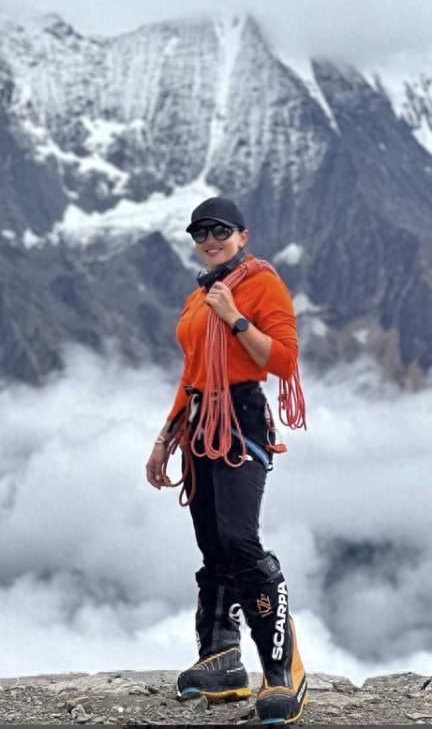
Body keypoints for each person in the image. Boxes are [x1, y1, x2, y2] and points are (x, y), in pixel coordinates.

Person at [145, 197, 309, 725]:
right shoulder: (200, 296)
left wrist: (234, 318)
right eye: (200, 233)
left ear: (243, 234)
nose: (210, 240)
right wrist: (166, 434)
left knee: (240, 540)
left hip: (240, 421)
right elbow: (192, 370)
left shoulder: (261, 285)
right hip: (200, 421)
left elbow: (283, 360)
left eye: (219, 231)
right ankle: (221, 662)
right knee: (214, 545)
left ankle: (282, 673)